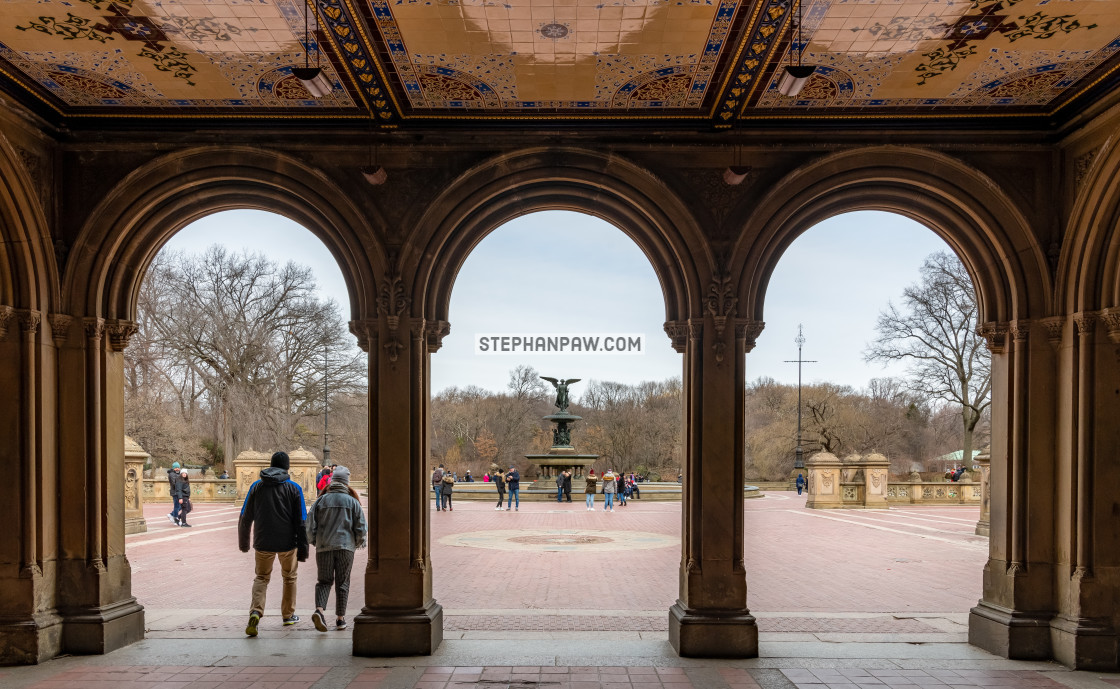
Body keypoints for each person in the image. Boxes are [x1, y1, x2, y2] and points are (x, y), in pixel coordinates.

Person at [238, 451, 309, 636]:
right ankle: (288, 616)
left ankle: (255, 612)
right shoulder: (294, 488)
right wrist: (303, 549)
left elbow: (245, 516)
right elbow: (302, 520)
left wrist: (244, 543)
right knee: (289, 577)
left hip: (262, 541)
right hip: (288, 543)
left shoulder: (256, 486)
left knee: (261, 578)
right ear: (287, 467)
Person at [306, 465, 366, 633]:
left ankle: (319, 610)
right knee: (343, 583)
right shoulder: (353, 501)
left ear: (332, 482)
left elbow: (309, 525)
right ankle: (340, 619)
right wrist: (359, 542)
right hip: (346, 547)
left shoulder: (321, 500)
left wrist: (314, 541)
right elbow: (361, 527)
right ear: (346, 482)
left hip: (324, 546)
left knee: (324, 581)